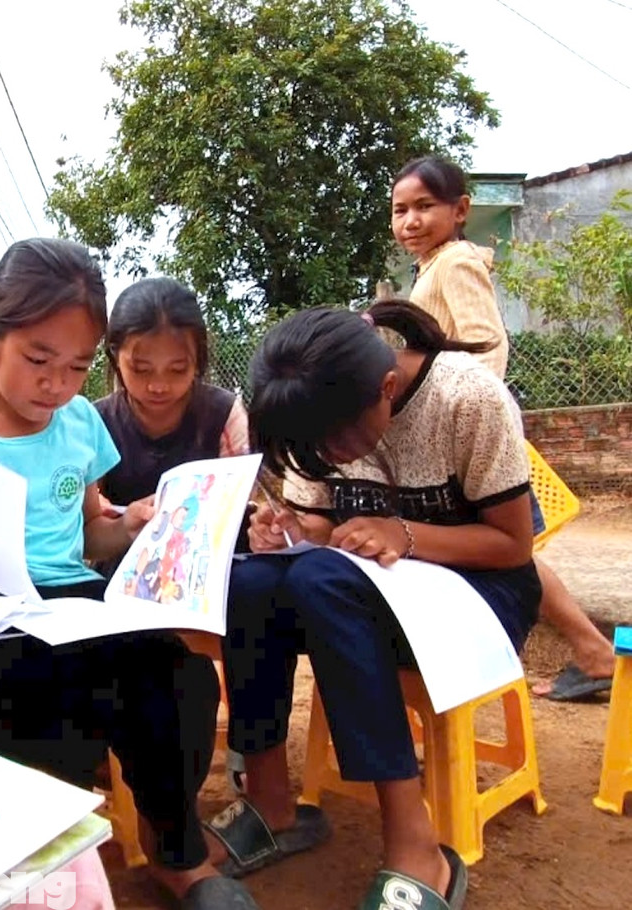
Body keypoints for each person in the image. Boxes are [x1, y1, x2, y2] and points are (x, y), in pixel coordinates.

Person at [0, 238, 257, 909]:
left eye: (79, 366)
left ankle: (176, 853)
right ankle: (47, 865)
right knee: (42, 696)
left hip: (75, 600)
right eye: (38, 360)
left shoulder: (79, 422)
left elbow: (89, 534)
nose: (57, 384)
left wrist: (133, 523)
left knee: (180, 677)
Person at [214, 302, 541, 909]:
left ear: (386, 389)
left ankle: (416, 846)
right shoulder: (321, 417)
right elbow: (319, 525)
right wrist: (289, 531)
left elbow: (512, 546)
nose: (327, 459)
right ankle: (271, 802)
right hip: (363, 595)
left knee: (320, 580)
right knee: (253, 582)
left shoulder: (466, 399)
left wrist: (404, 534)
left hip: (482, 595)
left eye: (334, 445)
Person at [392, 155, 615, 701]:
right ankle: (592, 651)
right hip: (461, 435)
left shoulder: (455, 264)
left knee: (504, 549)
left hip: (471, 440)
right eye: (400, 210)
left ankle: (592, 651)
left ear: (460, 210)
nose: (411, 221)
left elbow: (487, 346)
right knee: (507, 551)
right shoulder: (430, 268)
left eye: (425, 206)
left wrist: (464, 420)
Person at [93, 277, 249, 538]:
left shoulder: (224, 415)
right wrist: (95, 510)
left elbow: (246, 500)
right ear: (115, 356)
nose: (159, 386)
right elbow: (86, 520)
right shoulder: (96, 423)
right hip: (123, 554)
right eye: (141, 369)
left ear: (197, 360)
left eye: (177, 369)